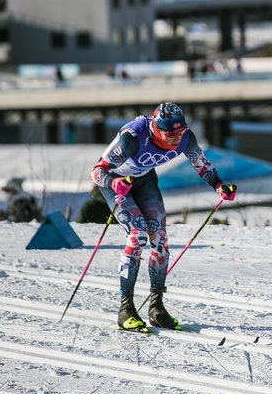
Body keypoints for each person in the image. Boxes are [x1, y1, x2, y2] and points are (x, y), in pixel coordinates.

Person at [89, 102, 237, 333]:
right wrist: (114, 182)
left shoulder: (186, 138)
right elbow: (98, 171)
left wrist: (218, 185)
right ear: (157, 129)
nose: (176, 139)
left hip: (145, 180)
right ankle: (126, 309)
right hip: (117, 183)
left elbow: (201, 163)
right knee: (137, 235)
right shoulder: (133, 136)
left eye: (180, 132)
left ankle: (156, 308)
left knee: (160, 239)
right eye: (170, 134)